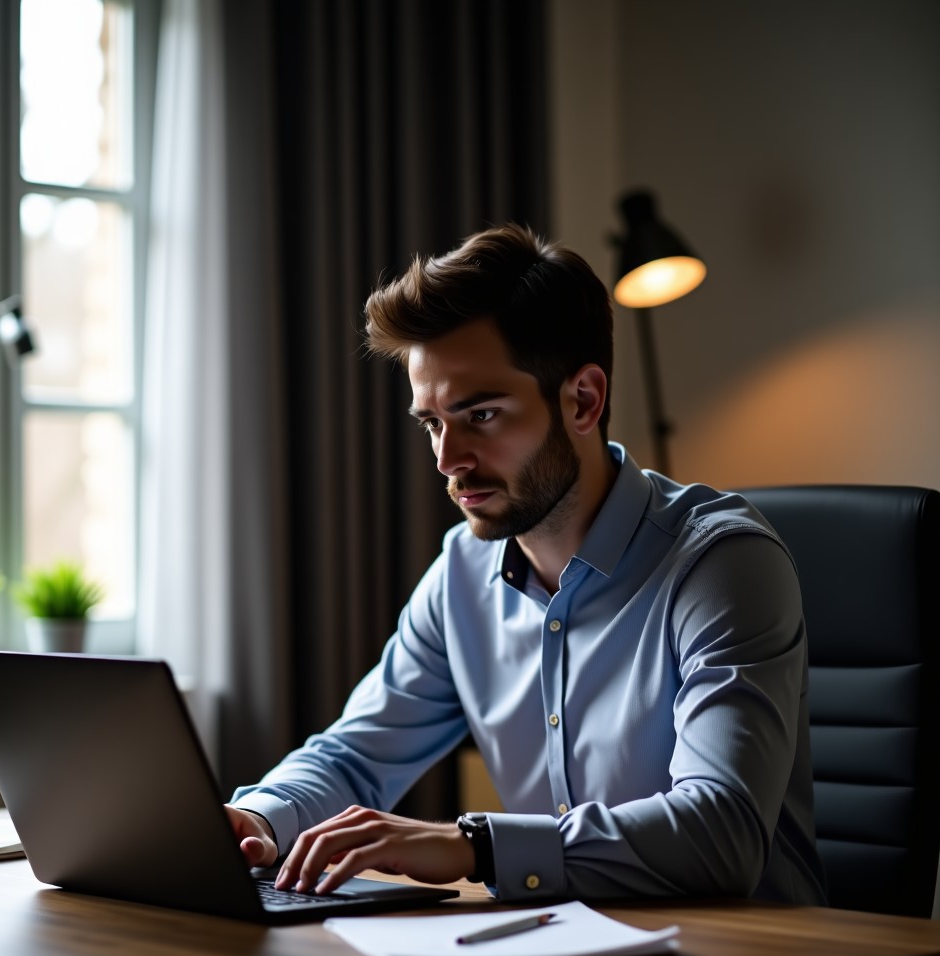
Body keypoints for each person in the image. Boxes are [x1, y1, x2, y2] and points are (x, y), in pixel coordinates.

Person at [225, 223, 827, 906]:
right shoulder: (462, 574)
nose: (447, 460)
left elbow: (721, 833)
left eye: (479, 414)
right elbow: (356, 756)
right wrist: (257, 819)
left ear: (583, 400)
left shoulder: (721, 564)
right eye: (431, 422)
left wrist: (474, 845)